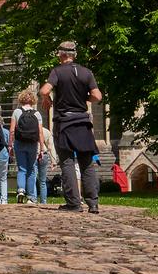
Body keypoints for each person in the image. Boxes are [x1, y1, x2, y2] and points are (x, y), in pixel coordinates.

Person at [41, 39, 102, 214]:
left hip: (65, 122)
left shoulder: (57, 72)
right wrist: (84, 99)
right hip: (82, 121)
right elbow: (97, 96)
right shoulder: (86, 72)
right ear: (74, 55)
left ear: (61, 55)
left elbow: (45, 90)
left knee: (67, 163)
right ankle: (93, 204)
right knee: (87, 163)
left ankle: (74, 203)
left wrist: (47, 99)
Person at [10, 87, 44, 203]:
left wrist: (10, 145)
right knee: (31, 170)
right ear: (33, 100)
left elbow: (12, 131)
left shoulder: (17, 112)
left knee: (22, 168)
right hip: (32, 144)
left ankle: (20, 190)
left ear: (21, 99)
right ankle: (30, 197)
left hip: (19, 143)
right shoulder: (37, 114)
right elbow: (40, 133)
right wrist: (42, 149)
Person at [35, 113, 53, 204]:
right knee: (43, 181)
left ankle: (33, 199)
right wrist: (53, 161)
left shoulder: (31, 130)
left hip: (34, 153)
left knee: (33, 178)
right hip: (44, 154)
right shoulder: (46, 131)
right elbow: (51, 146)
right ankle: (43, 201)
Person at [0, 114, 11, 203]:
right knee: (3, 178)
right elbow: (9, 144)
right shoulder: (6, 132)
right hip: (4, 156)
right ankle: (4, 200)